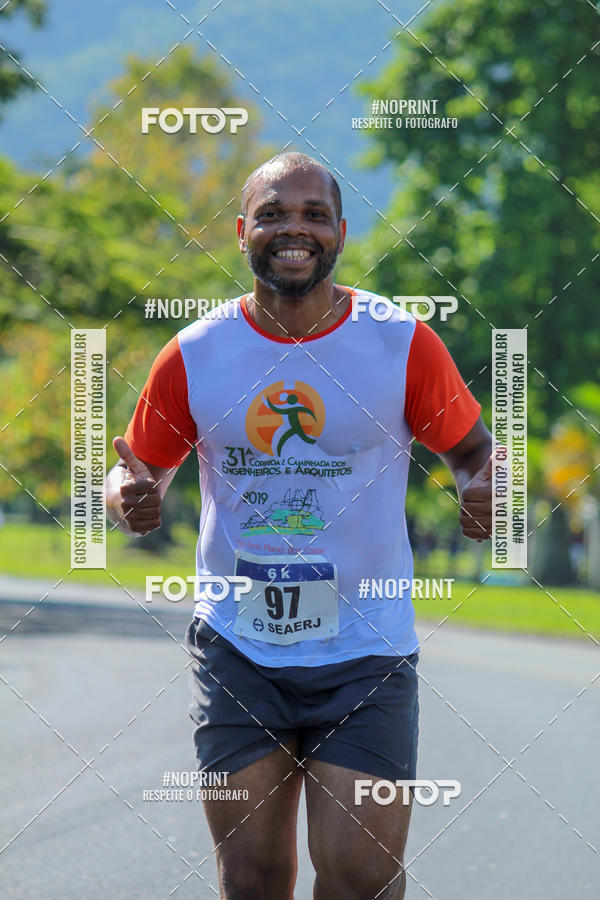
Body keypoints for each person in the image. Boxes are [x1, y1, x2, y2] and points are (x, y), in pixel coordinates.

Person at [105, 151, 493, 899]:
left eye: (314, 214)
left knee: (361, 878)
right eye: (275, 213)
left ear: (340, 233)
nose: (295, 229)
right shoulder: (197, 352)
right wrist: (129, 497)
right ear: (242, 230)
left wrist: (483, 489)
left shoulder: (401, 341)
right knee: (252, 879)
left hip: (365, 651)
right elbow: (133, 470)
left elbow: (477, 452)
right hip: (238, 647)